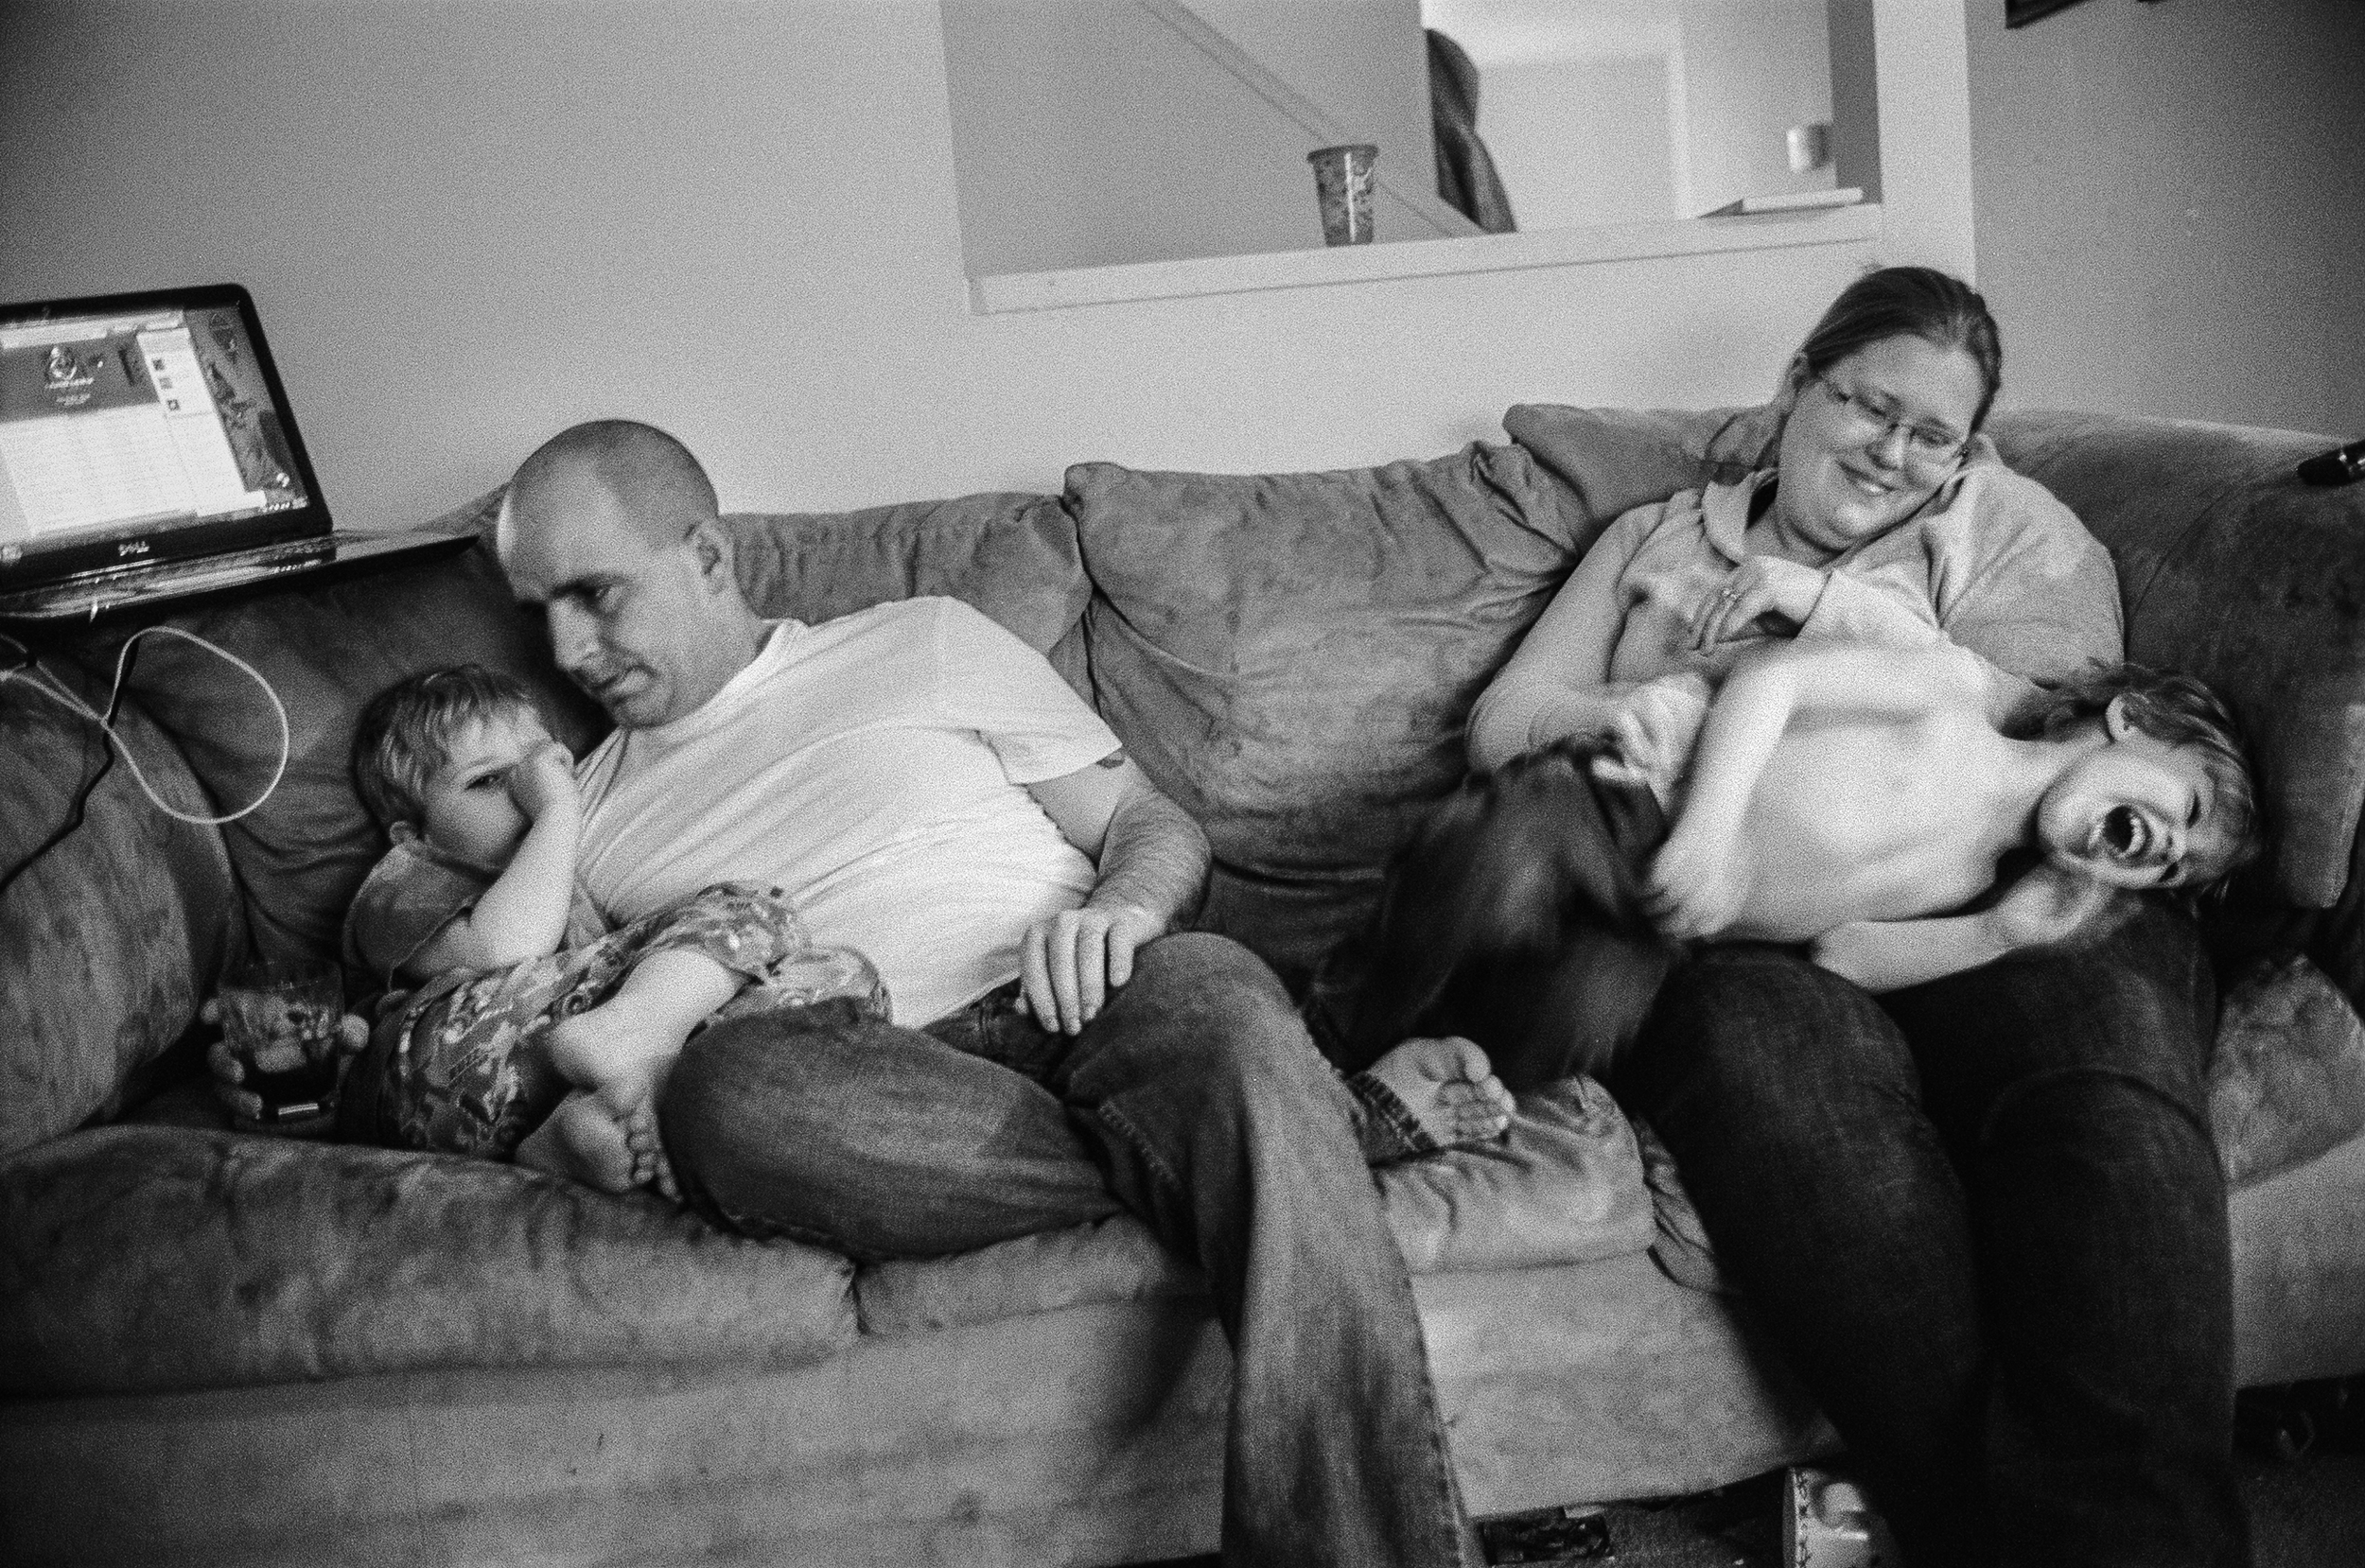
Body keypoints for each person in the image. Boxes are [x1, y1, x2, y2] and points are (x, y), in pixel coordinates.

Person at [485, 417, 1505, 1568]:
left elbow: (1145, 823)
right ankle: (1306, 1130)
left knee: (1219, 1000)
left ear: (708, 556)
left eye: (595, 594)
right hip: (873, 1082)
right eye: (539, 614)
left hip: (1098, 990)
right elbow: (529, 1032)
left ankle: (1264, 1131)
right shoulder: (588, 815)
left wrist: (1124, 911)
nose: (567, 650)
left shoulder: (920, 640)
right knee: (725, 1094)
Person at [1453, 266, 2256, 1565]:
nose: (1894, 453)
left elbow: (2056, 727)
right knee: (1792, 1096)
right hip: (1745, 923)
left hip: (2011, 895)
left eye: (1932, 433)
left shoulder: (2007, 526)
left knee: (2102, 1101)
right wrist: (1645, 717)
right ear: (1793, 392)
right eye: (1869, 406)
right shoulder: (1657, 538)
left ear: (1968, 450)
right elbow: (1504, 720)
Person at [1341, 646, 2262, 1091]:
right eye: (2182, 808)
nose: (2165, 850)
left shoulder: (1973, 879)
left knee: (1575, 1021)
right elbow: (1770, 682)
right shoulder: (1953, 701)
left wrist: (1997, 932)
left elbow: (1840, 955)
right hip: (1631, 804)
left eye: (2171, 872)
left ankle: (1412, 1080)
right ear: (2131, 718)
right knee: (1494, 871)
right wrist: (1705, 826)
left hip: (1660, 930)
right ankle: (1336, 1025)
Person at [338, 663, 882, 1191]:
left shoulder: (566, 886)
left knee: (843, 980)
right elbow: (504, 948)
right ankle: (627, 1044)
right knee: (752, 908)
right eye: (488, 781)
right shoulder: (407, 877)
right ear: (413, 833)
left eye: (542, 767)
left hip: (533, 1095)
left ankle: (580, 1128)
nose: (530, 790)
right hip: (430, 1070)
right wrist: (557, 812)